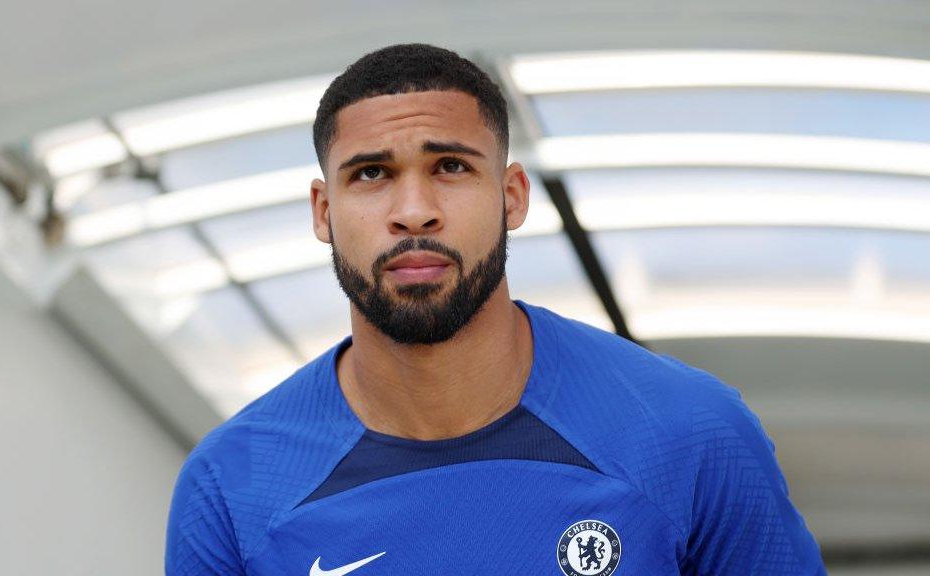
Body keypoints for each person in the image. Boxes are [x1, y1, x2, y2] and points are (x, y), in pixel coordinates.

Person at [165, 43, 826, 575]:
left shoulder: (690, 434)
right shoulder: (232, 487)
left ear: (511, 195)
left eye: (450, 167)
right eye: (371, 174)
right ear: (322, 211)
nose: (413, 210)